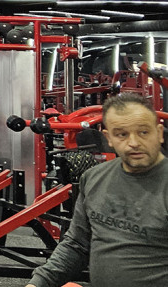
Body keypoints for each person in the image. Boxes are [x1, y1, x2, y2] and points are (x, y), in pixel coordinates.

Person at [26, 92, 168, 287]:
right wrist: (38, 283)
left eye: (143, 132)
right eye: (122, 134)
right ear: (109, 138)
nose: (134, 143)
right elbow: (77, 245)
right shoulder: (94, 178)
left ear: (159, 133)